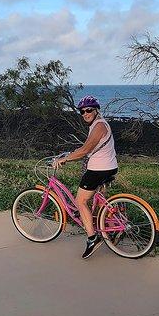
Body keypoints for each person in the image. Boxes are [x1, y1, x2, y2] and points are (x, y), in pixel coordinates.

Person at [53, 95, 118, 259]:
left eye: (89, 110)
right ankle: (109, 225)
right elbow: (87, 148)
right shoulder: (99, 125)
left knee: (80, 201)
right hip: (109, 167)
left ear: (96, 110)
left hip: (99, 169)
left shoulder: (99, 126)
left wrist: (65, 159)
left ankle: (92, 238)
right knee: (95, 198)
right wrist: (71, 154)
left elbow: (85, 150)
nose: (85, 114)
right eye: (82, 111)